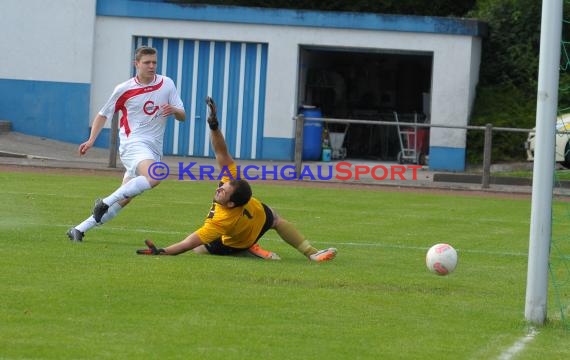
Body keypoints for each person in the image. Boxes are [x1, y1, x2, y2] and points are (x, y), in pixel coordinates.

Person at [136, 97, 337, 262]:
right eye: (223, 184)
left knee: (200, 251)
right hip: (260, 217)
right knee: (275, 218)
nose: (220, 187)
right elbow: (221, 151)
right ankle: (311, 253)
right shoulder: (234, 184)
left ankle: (249, 249)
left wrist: (162, 251)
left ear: (231, 203)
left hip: (237, 239)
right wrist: (214, 127)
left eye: (223, 191)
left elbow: (187, 244)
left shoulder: (220, 221)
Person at [66, 46, 186, 242]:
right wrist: (91, 140)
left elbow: (183, 116)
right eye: (147, 62)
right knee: (156, 175)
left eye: (154, 62)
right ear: (136, 64)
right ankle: (104, 201)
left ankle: (79, 229)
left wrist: (173, 109)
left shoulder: (167, 84)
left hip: (153, 148)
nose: (151, 66)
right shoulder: (124, 89)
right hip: (133, 144)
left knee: (125, 198)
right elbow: (103, 114)